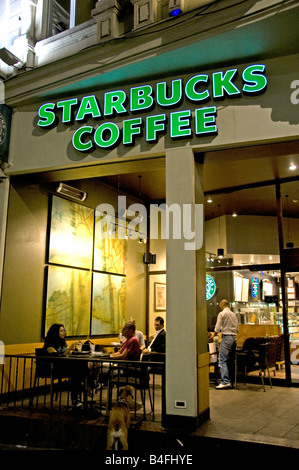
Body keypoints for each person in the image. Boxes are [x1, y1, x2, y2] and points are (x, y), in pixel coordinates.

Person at [43, 323, 86, 408]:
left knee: (81, 368)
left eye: (64, 330)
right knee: (77, 371)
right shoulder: (49, 344)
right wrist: (70, 348)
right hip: (55, 368)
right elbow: (57, 356)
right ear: (55, 332)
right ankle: (79, 395)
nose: (64, 332)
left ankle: (87, 389)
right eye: (61, 331)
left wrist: (73, 349)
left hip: (65, 366)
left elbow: (66, 353)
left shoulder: (63, 343)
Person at [213, 299, 238, 389]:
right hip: (234, 338)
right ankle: (232, 381)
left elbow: (217, 328)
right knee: (231, 360)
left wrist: (213, 335)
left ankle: (225, 381)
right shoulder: (233, 314)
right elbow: (237, 328)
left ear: (222, 305)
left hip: (227, 337)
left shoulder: (222, 314)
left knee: (222, 359)